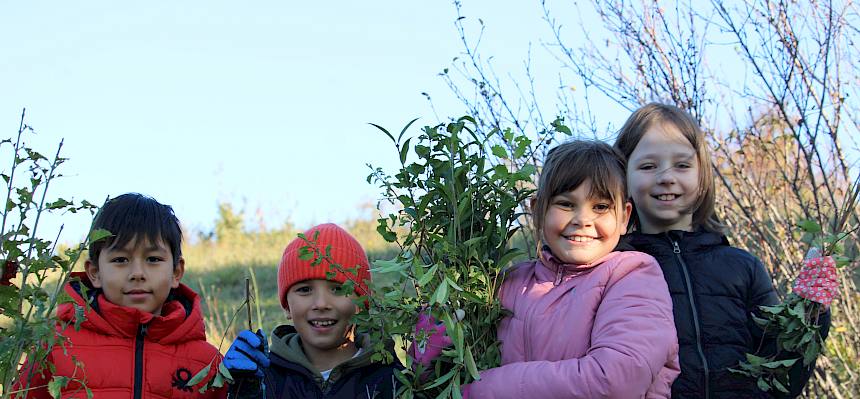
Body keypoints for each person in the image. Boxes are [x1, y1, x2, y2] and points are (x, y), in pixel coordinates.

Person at [614, 102, 837, 398]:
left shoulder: (743, 267)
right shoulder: (614, 270)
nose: (666, 177)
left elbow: (779, 379)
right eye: (648, 166)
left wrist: (812, 314)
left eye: (682, 165)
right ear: (622, 176)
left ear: (702, 175)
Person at [460, 140, 680, 398]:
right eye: (566, 204)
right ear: (538, 211)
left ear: (624, 217)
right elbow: (435, 372)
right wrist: (436, 324)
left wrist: (482, 388)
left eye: (600, 207)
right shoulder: (508, 283)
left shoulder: (633, 275)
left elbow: (615, 381)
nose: (583, 220)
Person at [14, 193, 226, 398]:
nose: (137, 273)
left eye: (153, 259)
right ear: (95, 273)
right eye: (120, 260)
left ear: (176, 272)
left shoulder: (207, 363)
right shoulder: (56, 346)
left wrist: (253, 385)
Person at [225, 223, 401, 399]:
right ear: (287, 307)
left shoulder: (393, 380)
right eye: (304, 290)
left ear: (361, 304)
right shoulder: (264, 380)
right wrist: (240, 392)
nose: (321, 303)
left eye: (338, 289)